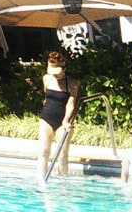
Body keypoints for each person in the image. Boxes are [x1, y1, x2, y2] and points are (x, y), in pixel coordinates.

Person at [38, 50, 79, 178]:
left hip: (63, 121)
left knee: (62, 155)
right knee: (44, 151)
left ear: (64, 69)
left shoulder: (72, 84)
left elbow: (71, 103)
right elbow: (47, 98)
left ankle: (63, 183)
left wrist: (66, 121)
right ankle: (41, 179)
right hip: (46, 118)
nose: (55, 76)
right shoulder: (47, 79)